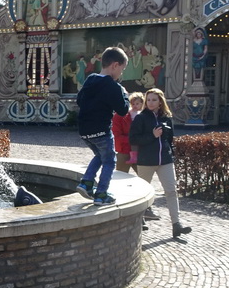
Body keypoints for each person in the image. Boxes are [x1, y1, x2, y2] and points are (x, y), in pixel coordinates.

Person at [129, 88, 191, 239]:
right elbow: (133, 139)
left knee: (171, 191)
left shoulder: (167, 118)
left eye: (154, 100)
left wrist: (171, 154)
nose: (150, 103)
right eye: (148, 100)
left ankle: (177, 224)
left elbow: (170, 140)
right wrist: (152, 135)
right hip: (146, 161)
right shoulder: (140, 118)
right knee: (141, 194)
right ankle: (139, 220)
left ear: (160, 102)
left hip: (165, 160)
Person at [75, 47, 129, 205]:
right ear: (115, 65)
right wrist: (124, 95)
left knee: (100, 155)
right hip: (101, 130)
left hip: (85, 131)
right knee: (110, 160)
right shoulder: (112, 85)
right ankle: (101, 193)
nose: (121, 73)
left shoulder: (90, 79)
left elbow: (79, 100)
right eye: (122, 68)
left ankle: (86, 182)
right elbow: (123, 110)